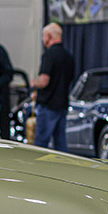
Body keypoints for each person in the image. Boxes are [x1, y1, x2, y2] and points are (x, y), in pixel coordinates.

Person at [30, 23, 74, 152]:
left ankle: (38, 169)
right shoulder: (69, 56)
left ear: (49, 36)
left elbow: (44, 81)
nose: (43, 40)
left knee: (40, 144)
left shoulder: (49, 55)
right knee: (60, 144)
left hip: (48, 106)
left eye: (44, 36)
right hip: (63, 105)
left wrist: (33, 83)